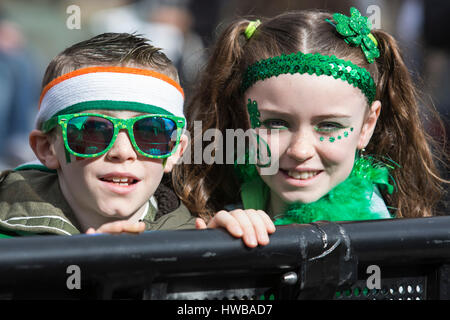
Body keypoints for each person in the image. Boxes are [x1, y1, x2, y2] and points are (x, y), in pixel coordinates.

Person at [175, 8, 447, 226]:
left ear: (367, 126)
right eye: (275, 123)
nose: (301, 150)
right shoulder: (206, 220)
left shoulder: (390, 252)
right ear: (243, 118)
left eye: (329, 125)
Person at [0, 33, 196, 237]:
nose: (122, 152)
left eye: (150, 132)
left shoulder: (201, 240)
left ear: (175, 150)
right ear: (47, 148)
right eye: (93, 131)